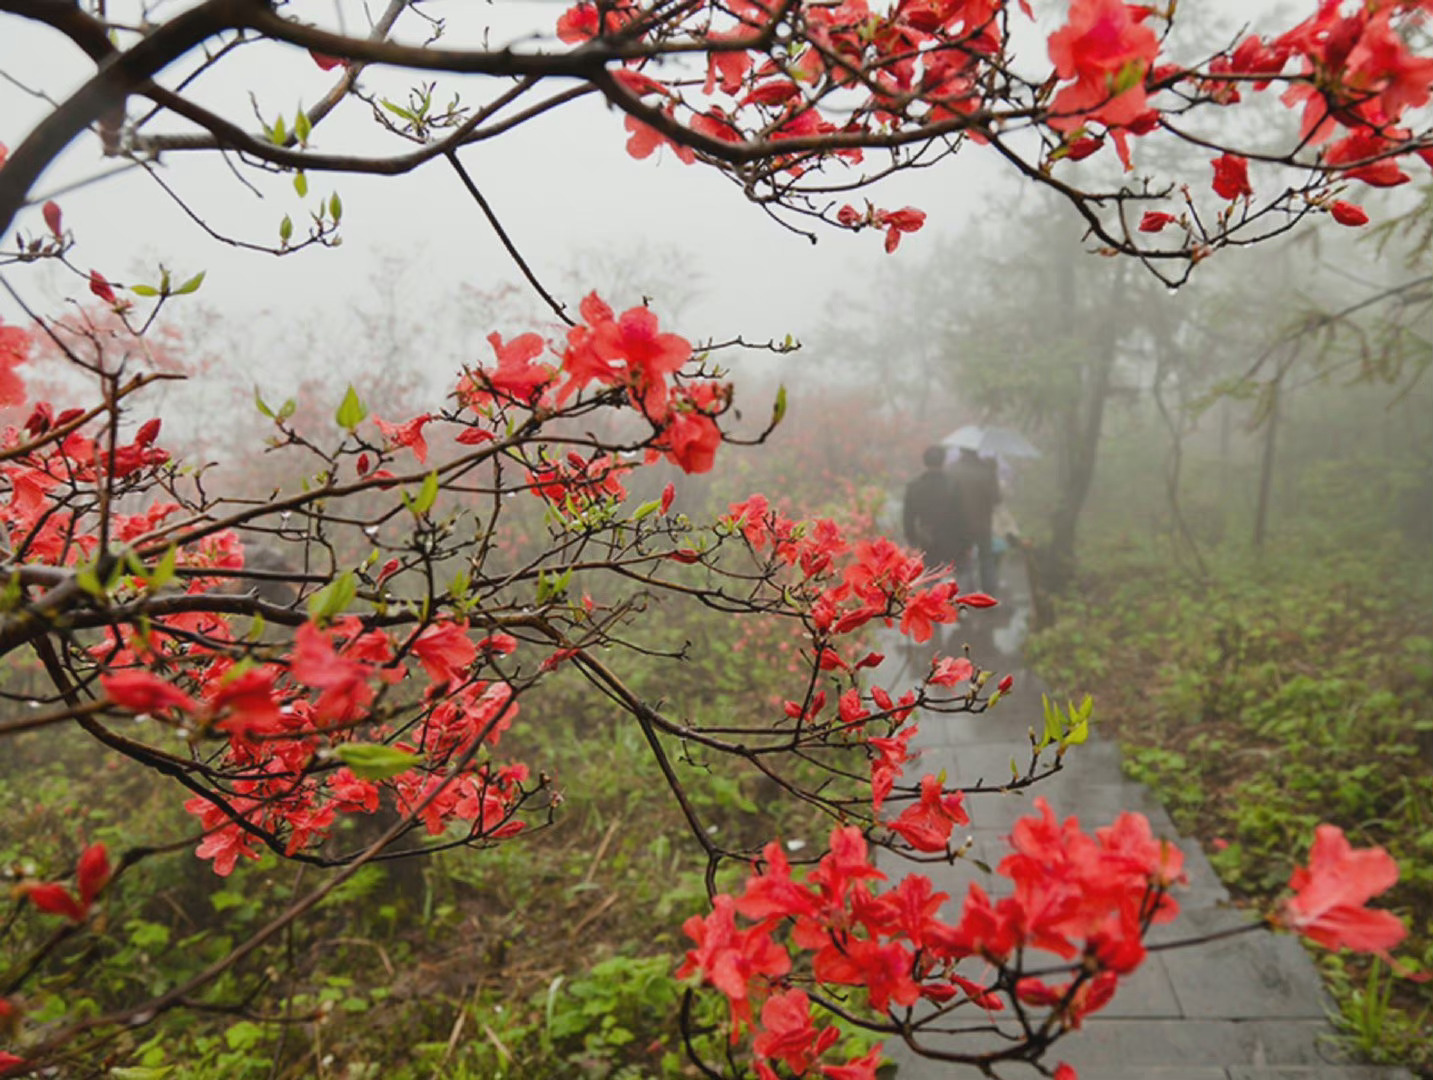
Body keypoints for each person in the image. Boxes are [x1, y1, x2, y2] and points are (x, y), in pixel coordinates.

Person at [948, 445, 1000, 593]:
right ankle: (990, 594)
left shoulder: (952, 470)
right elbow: (996, 498)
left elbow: (948, 498)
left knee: (963, 560)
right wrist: (993, 473)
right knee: (986, 558)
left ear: (961, 450)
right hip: (983, 523)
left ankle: (966, 596)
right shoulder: (986, 470)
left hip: (959, 524)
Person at [903, 445, 961, 571]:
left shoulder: (914, 486)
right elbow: (961, 514)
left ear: (924, 461)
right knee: (951, 577)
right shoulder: (953, 484)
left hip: (927, 538)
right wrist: (966, 541)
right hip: (951, 538)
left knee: (930, 576)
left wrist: (912, 539)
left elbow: (908, 517)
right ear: (943, 460)